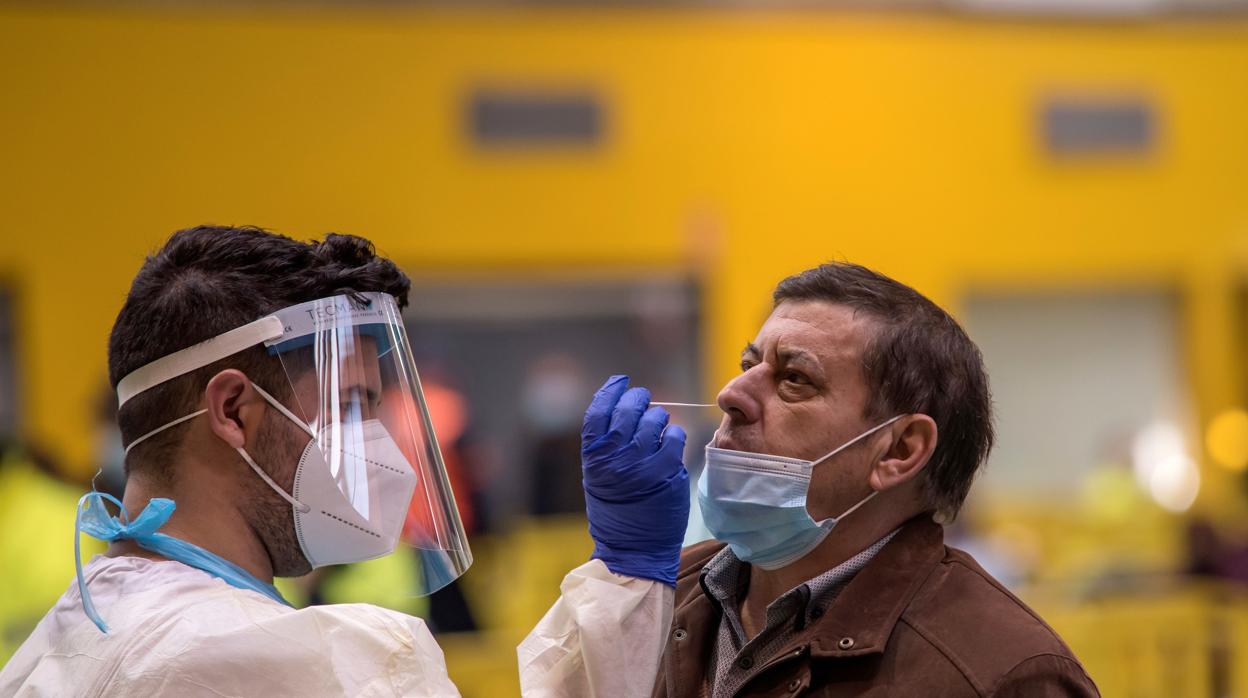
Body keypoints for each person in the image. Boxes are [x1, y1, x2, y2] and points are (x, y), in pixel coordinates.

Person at [0, 226, 688, 697]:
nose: (376, 439)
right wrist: (623, 590)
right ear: (233, 410)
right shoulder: (271, 658)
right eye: (353, 402)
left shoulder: (63, 640)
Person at [651, 263, 1099, 697]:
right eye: (749, 365)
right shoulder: (664, 596)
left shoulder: (1001, 674)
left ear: (900, 450)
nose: (731, 394)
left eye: (794, 378)